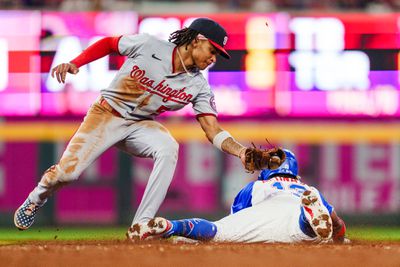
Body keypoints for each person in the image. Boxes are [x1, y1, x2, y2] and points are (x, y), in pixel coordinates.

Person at [14, 18, 259, 231]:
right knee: (67, 174)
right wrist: (76, 63)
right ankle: (36, 198)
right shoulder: (150, 45)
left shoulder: (199, 86)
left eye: (217, 54)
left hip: (140, 125)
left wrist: (241, 151)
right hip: (105, 114)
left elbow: (212, 129)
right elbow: (110, 43)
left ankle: (141, 223)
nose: (213, 58)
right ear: (196, 40)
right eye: (212, 50)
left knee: (168, 148)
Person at [128, 149, 347, 243]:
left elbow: (236, 217)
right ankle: (306, 220)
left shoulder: (256, 186)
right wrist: (339, 239)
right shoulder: (304, 188)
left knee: (218, 231)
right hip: (294, 211)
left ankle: (171, 227)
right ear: (296, 172)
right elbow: (337, 224)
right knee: (307, 234)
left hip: (260, 213)